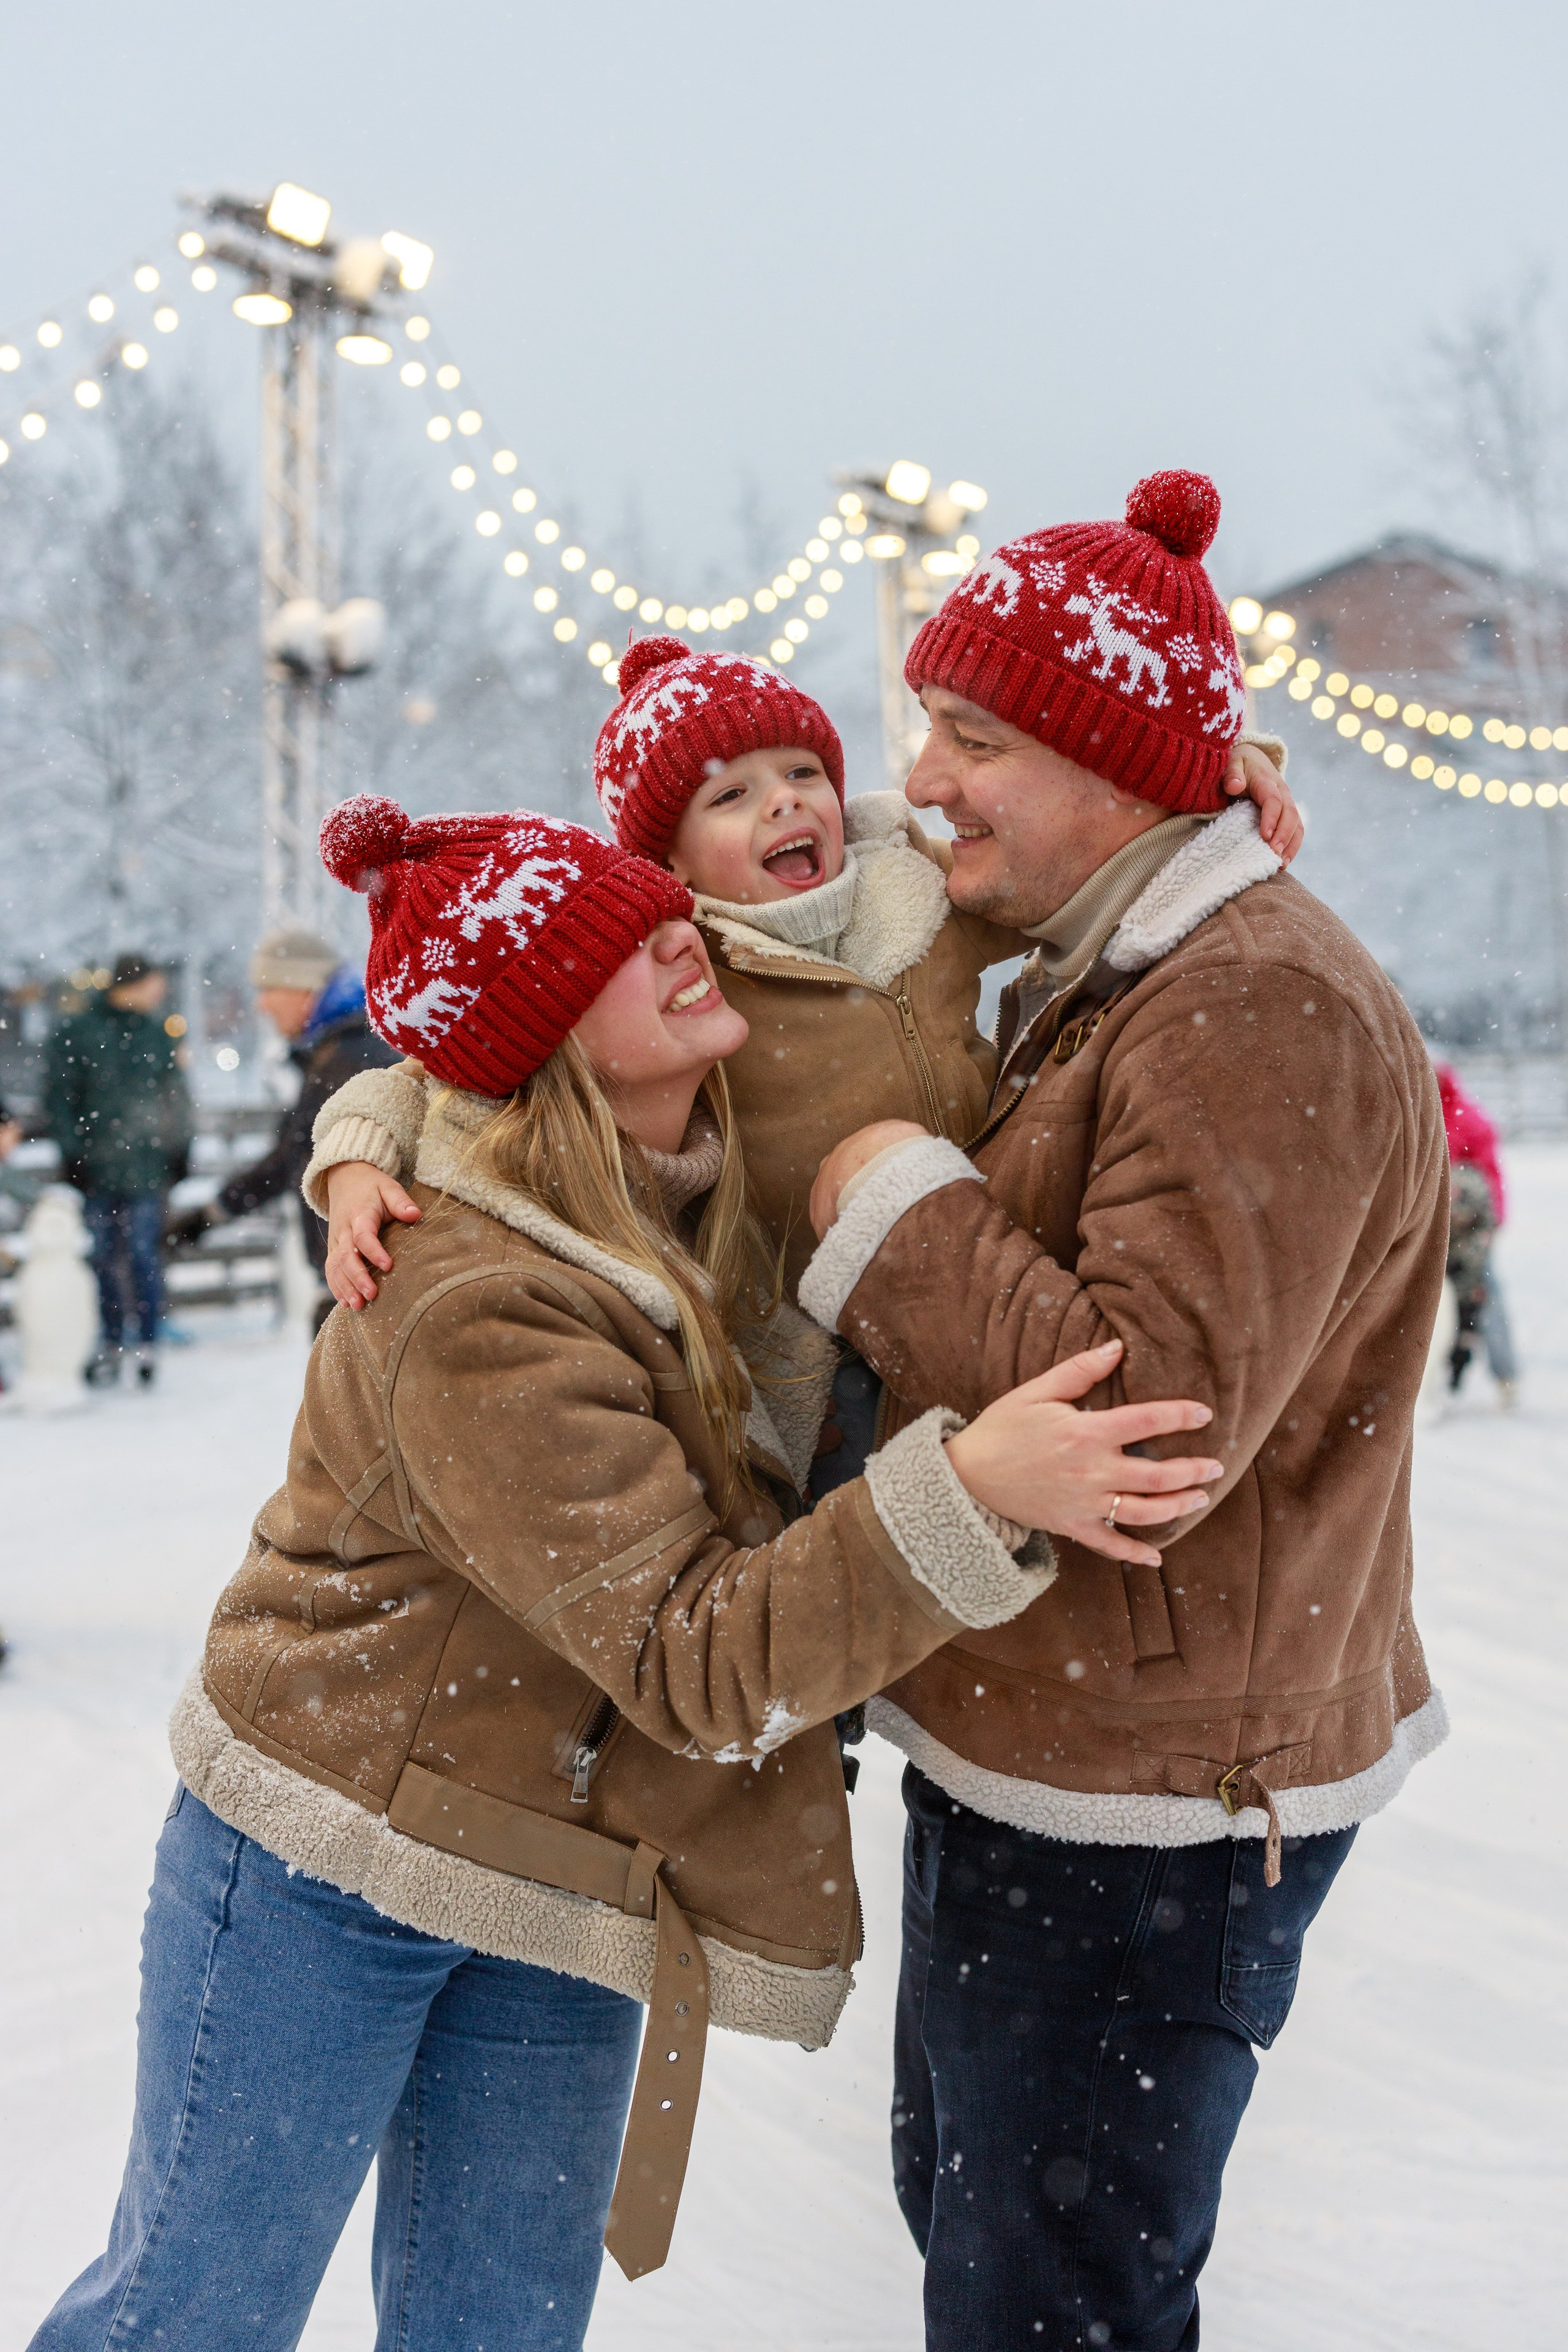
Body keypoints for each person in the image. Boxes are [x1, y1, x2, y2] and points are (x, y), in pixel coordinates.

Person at [26, 800, 1225, 2352]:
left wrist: (1212, 784)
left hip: (573, 1864)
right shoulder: (474, 1300)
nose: (679, 932)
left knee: (499, 2331)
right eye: (612, 945)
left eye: (659, 910)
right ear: (542, 1041)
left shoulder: (694, 1199)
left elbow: (876, 894)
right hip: (329, 1866)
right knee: (191, 2313)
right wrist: (968, 1490)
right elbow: (694, 1654)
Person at [790, 471, 1452, 2350]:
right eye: (928, 723)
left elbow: (1146, 1424)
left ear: (1115, 767)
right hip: (1072, 1750)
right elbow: (747, 875)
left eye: (975, 733)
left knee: (1045, 2298)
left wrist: (884, 1194)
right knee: (999, 2241)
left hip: (1150, 1799)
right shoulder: (1129, 958)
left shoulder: (1250, 1003)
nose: (924, 776)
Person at [307, 619, 1298, 1497]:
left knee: (1023, 1457)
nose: (785, 804)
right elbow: (444, 1064)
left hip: (972, 1255)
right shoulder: (683, 966)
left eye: (801, 773)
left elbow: (1067, 850)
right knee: (859, 1502)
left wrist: (1209, 779)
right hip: (802, 1319)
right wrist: (357, 1157)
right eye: (731, 796)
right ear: (670, 867)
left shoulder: (915, 886)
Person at [165, 927, 396, 1333]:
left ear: (303, 988)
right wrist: (209, 1216)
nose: (261, 1004)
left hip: (368, 1285)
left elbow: (300, 1159)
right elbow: (292, 1158)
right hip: (358, 1282)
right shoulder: (334, 1053)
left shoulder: (348, 1060)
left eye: (269, 988)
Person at [44, 953, 192, 1388]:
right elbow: (60, 1097)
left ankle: (147, 1341)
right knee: (107, 1257)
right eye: (155, 984)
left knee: (145, 1254)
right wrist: (72, 1153)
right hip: (98, 1168)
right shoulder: (79, 1032)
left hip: (148, 1167)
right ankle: (112, 1342)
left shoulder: (156, 1032)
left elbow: (175, 1095)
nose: (160, 993)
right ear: (134, 983)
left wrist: (181, 1147)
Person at [1436, 1060, 1517, 1402]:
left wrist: (1493, 1218)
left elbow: (1490, 1173)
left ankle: (1505, 1375)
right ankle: (1448, 1374)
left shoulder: (1464, 1121)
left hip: (1467, 1229)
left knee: (1483, 1298)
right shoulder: (1425, 1119)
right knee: (1463, 1302)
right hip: (1441, 1227)